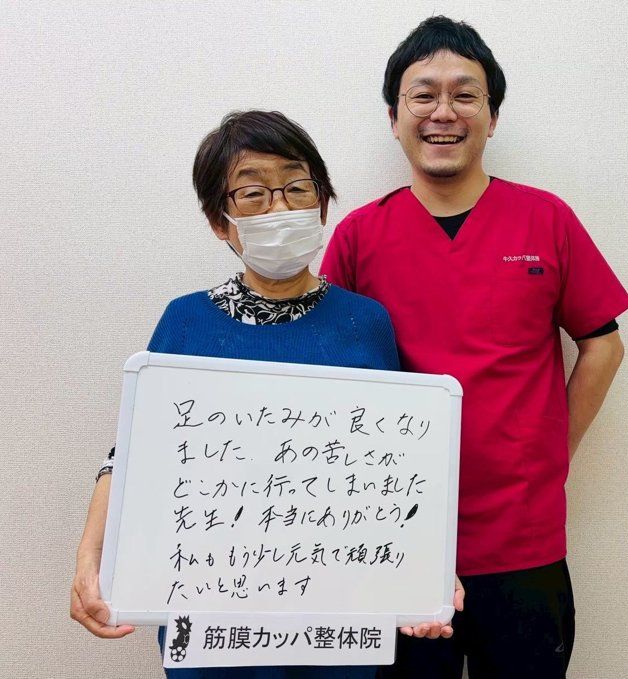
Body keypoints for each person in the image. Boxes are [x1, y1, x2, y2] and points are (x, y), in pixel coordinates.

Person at [320, 16, 628, 679]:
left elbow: (603, 345)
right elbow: (330, 379)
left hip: (523, 540)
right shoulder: (358, 235)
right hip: (396, 540)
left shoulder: (546, 219)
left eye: (465, 94)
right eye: (423, 95)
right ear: (394, 117)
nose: (444, 112)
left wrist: (552, 451)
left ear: (492, 117)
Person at [70, 110, 401, 678]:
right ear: (219, 222)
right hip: (211, 616)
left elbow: (390, 466)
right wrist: (89, 557)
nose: (280, 208)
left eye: (297, 187)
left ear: (322, 203)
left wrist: (423, 571)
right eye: (252, 193)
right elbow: (132, 452)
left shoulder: (366, 322)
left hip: (335, 615)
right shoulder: (186, 322)